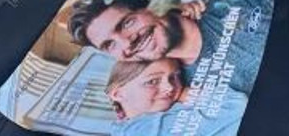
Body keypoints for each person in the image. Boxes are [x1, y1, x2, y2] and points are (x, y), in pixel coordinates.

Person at [67, 0, 272, 95]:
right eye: (110, 44)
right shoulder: (178, 90)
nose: (126, 43)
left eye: (126, 23)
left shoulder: (228, 0)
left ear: (153, 5)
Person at [105, 58, 247, 136]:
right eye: (152, 82)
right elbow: (237, 107)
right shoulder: (137, 131)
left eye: (174, 77)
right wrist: (187, 94)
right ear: (118, 94)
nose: (169, 87)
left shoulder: (171, 110)